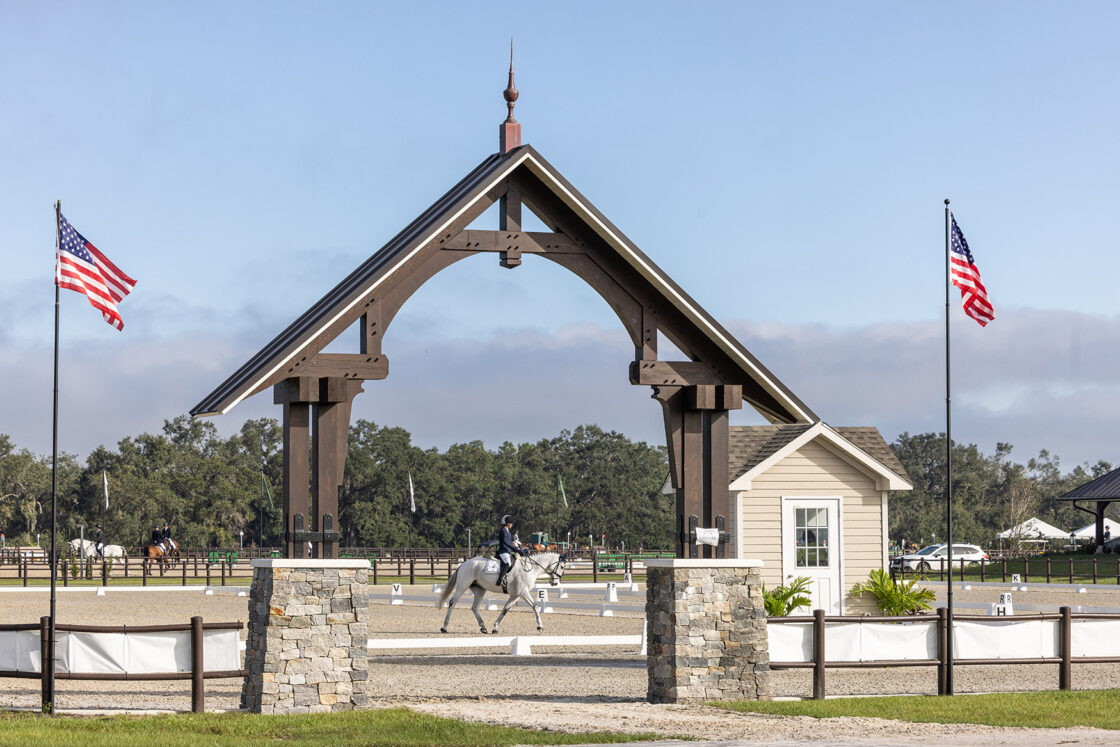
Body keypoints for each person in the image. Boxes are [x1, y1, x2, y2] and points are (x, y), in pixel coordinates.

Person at [495, 514, 527, 593]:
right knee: (508, 563)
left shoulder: (507, 531)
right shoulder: (503, 530)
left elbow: (510, 543)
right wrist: (516, 549)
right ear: (508, 523)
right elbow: (506, 543)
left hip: (507, 551)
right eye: (511, 523)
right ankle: (500, 580)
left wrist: (517, 550)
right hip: (503, 551)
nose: (512, 525)